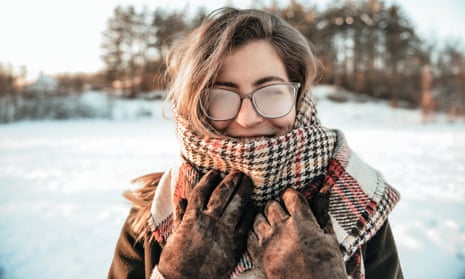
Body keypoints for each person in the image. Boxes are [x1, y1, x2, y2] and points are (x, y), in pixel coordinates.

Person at [108, 7, 403, 279]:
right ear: (196, 107)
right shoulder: (154, 214)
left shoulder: (356, 204)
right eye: (220, 96)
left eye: (271, 91)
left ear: (297, 99)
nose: (247, 119)